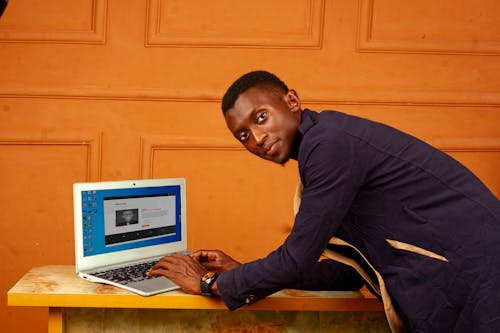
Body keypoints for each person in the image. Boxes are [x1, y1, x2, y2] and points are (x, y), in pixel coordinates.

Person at [149, 70, 500, 332]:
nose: (257, 137)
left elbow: (295, 260)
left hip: (484, 285)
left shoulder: (329, 144)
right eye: (243, 135)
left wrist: (209, 284)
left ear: (291, 101)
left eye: (260, 117)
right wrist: (241, 271)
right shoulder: (325, 146)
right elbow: (348, 271)